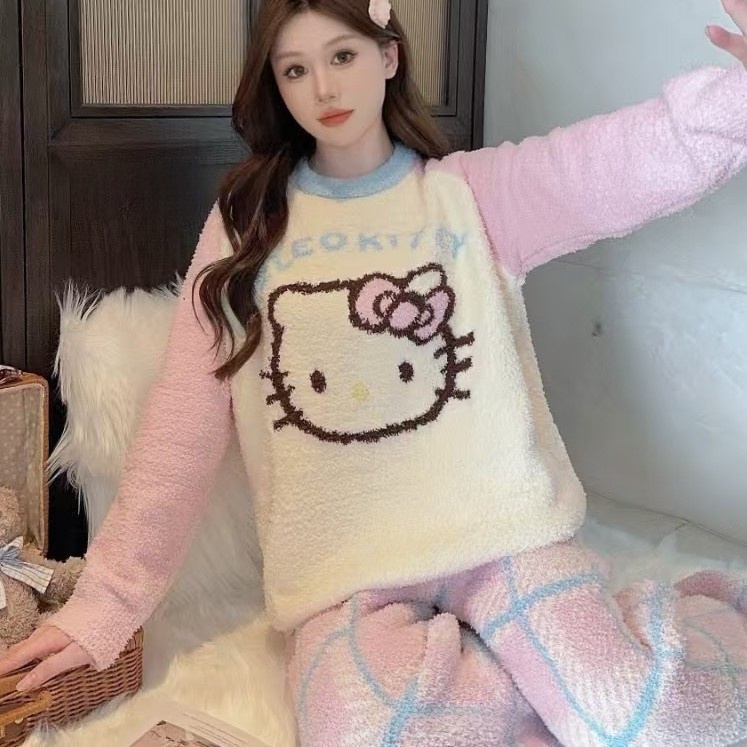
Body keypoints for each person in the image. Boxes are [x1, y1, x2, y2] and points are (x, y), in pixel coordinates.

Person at [2, 0, 747, 744]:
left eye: (342, 56)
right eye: (295, 70)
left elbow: (617, 162)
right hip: (347, 569)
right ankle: (533, 682)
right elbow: (181, 424)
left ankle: (683, 623)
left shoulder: (471, 195)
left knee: (651, 719)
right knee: (364, 733)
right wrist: (108, 601)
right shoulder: (246, 228)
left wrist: (736, 96)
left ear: (388, 57)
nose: (323, 88)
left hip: (503, 537)